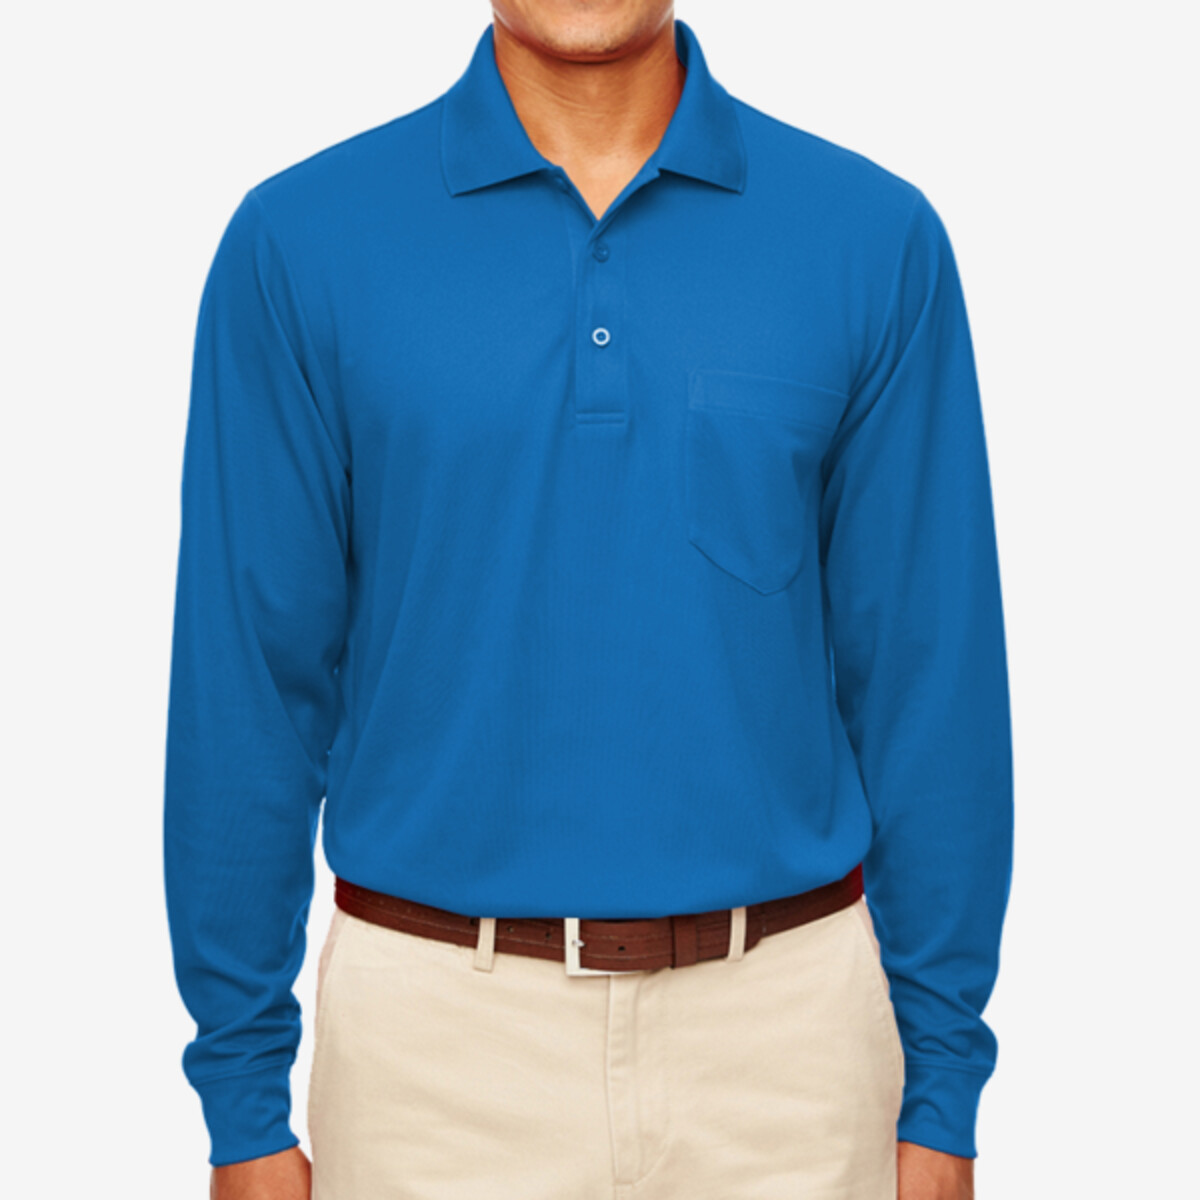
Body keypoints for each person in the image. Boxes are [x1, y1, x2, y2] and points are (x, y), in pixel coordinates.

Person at [163, 4, 1013, 1198]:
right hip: (432, 1058)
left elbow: (931, 675)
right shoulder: (301, 242)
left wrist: (944, 1086)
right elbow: (248, 677)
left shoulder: (871, 239)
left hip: (789, 1052)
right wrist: (242, 1100)